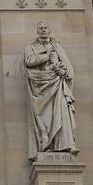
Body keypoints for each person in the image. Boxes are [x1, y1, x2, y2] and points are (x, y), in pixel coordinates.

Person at [23, 21, 78, 157]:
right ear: (37, 31)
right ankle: (46, 145)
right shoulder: (30, 46)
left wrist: (63, 71)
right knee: (45, 117)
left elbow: (67, 66)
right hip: (41, 86)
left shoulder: (56, 45)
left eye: (45, 28)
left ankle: (66, 144)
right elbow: (29, 61)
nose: (43, 30)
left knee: (62, 113)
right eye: (40, 28)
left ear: (49, 30)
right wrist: (46, 56)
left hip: (57, 83)